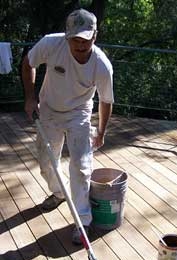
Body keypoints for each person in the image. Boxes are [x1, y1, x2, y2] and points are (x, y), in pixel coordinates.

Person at [22, 8, 114, 245]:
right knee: (46, 161)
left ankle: (82, 222)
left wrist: (101, 132)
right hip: (49, 110)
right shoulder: (51, 44)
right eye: (75, 40)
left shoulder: (102, 66)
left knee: (81, 166)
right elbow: (28, 62)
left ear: (95, 36)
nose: (80, 45)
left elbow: (105, 100)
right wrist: (31, 97)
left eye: (85, 40)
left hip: (79, 114)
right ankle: (59, 192)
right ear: (67, 36)